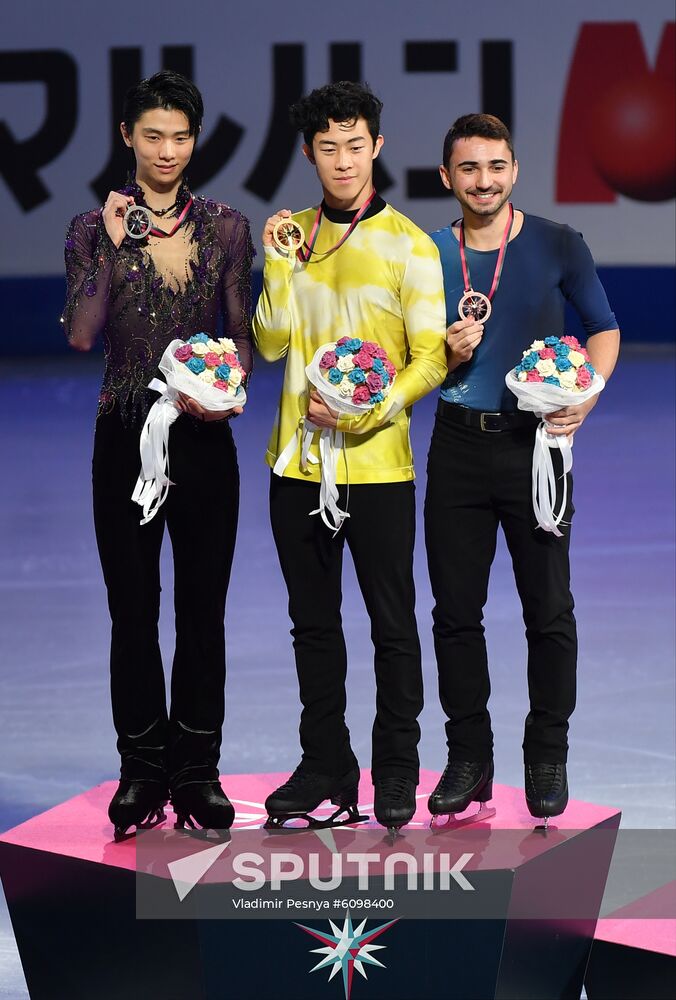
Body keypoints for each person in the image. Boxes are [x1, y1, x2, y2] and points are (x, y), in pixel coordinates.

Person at [62, 71, 254, 839]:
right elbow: (82, 334)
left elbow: (240, 333)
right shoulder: (90, 228)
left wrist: (224, 383)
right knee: (132, 611)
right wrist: (111, 248)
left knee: (203, 613)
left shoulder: (227, 229)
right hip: (123, 430)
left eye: (179, 137)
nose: (166, 150)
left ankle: (196, 770)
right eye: (152, 136)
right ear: (127, 139)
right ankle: (141, 770)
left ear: (193, 141)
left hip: (204, 434)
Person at [252, 81, 447, 832]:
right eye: (327, 147)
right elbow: (270, 344)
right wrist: (279, 265)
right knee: (312, 625)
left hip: (378, 471)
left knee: (393, 625)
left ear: (378, 147)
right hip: (295, 468)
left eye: (355, 144)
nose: (342, 160)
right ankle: (326, 766)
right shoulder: (290, 237)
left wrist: (371, 410)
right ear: (309, 153)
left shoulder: (411, 246)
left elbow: (429, 358)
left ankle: (397, 767)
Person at [424, 113, 620, 824]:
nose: (485, 180)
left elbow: (601, 326)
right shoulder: (427, 254)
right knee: (454, 614)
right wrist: (440, 355)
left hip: (537, 447)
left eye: (497, 165)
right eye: (469, 168)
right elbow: (404, 348)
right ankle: (469, 760)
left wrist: (584, 401)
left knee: (549, 610)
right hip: (456, 447)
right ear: (448, 177)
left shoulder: (557, 243)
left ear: (514, 170)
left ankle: (547, 752)